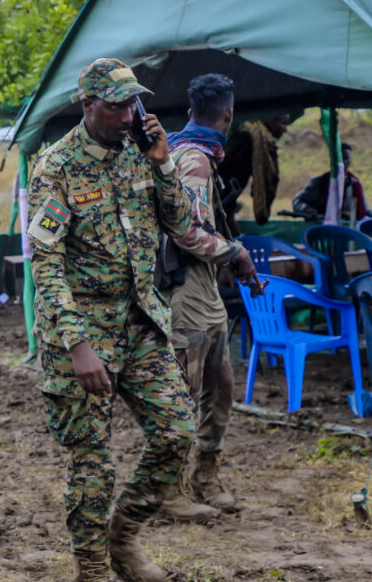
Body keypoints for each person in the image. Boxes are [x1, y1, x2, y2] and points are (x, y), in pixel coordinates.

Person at [27, 58, 195, 582]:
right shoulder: (55, 167)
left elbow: (184, 225)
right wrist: (77, 345)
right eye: (117, 104)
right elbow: (46, 263)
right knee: (94, 464)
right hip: (81, 330)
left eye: (132, 103)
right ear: (88, 104)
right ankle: (93, 569)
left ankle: (123, 539)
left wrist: (164, 164)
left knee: (176, 433)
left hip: (140, 322)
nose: (129, 115)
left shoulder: (141, 155)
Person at [162, 74, 261, 522]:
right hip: (184, 288)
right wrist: (234, 251)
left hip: (204, 288)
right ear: (229, 114)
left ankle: (206, 477)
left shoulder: (189, 151)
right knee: (184, 391)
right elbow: (186, 234)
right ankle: (169, 489)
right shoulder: (194, 161)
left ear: (190, 112)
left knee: (221, 385)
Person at [218, 114, 291, 226]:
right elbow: (223, 169)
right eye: (283, 123)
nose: (285, 129)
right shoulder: (246, 137)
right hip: (220, 203)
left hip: (228, 203)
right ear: (270, 120)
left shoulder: (263, 143)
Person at [291, 143, 366, 221]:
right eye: (339, 158)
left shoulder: (355, 184)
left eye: (346, 158)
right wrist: (307, 209)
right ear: (332, 159)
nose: (343, 162)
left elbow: (365, 211)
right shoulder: (318, 182)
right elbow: (297, 201)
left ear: (350, 160)